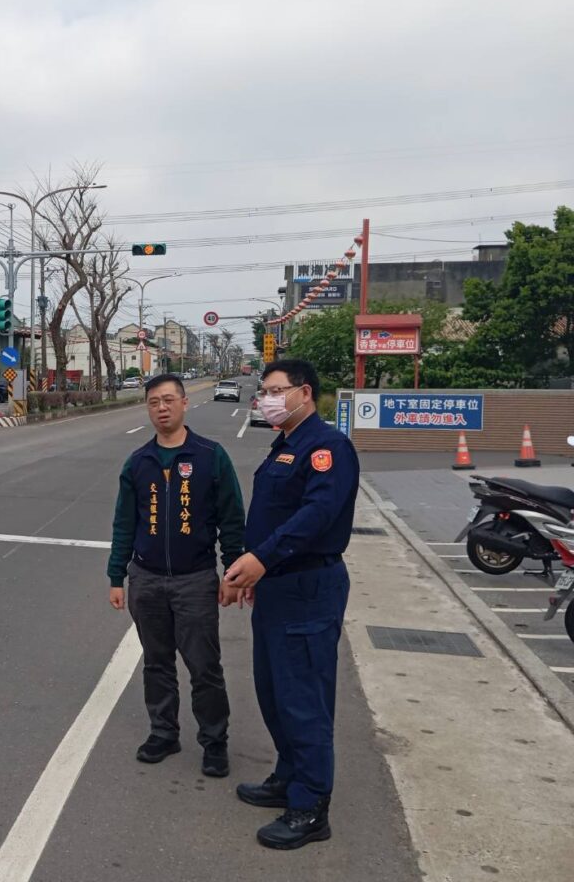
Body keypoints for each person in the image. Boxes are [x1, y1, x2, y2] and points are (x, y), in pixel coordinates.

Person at [222, 359, 360, 850]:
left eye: (275, 390)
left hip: (308, 588)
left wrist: (262, 559)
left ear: (304, 393)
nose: (266, 399)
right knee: (274, 691)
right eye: (263, 391)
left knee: (304, 701)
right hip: (279, 586)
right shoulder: (286, 444)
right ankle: (288, 775)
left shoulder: (327, 447)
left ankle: (310, 807)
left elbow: (316, 516)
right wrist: (256, 568)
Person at [108, 373, 246, 778]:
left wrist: (232, 571)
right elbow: (123, 524)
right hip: (146, 580)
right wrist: (117, 576)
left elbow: (231, 518)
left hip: (195, 580)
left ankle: (215, 741)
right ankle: (163, 732)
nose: (162, 408)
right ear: (148, 408)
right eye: (154, 402)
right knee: (156, 662)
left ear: (185, 403)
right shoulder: (139, 462)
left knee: (204, 666)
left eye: (169, 400)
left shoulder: (209, 455)